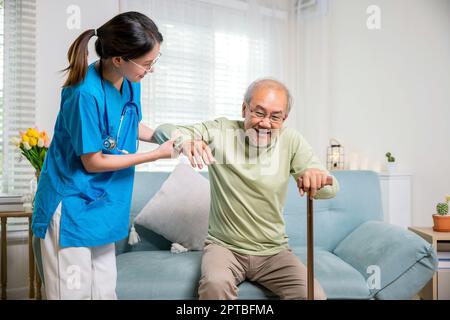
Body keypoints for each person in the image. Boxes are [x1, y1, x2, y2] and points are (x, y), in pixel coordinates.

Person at [32, 12, 177, 300]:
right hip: (73, 205)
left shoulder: (130, 80)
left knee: (104, 293)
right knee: (73, 294)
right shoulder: (84, 92)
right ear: (119, 59)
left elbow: (127, 122)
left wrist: (161, 135)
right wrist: (155, 156)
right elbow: (93, 160)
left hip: (104, 205)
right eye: (147, 63)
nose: (151, 70)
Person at [153, 78, 340, 300]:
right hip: (225, 248)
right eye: (259, 113)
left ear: (284, 118)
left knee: (313, 296)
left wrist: (316, 178)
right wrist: (184, 142)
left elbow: (331, 188)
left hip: (274, 251)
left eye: (275, 116)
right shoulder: (221, 131)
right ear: (244, 109)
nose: (266, 123)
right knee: (215, 284)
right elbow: (163, 131)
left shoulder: (291, 141)